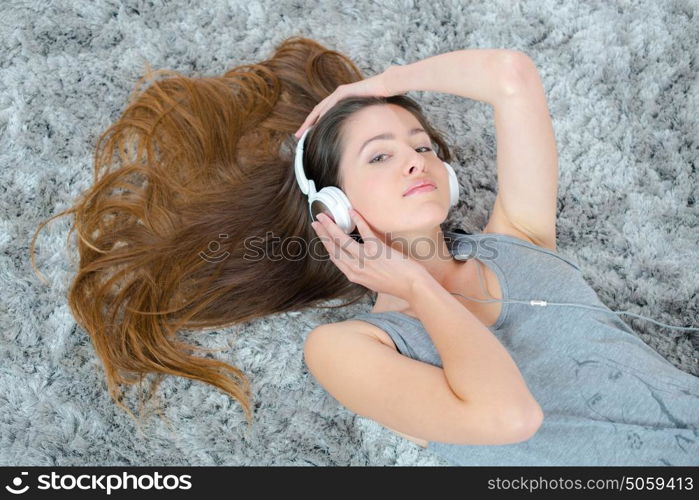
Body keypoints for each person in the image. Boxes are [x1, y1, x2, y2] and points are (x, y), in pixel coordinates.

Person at [30, 36, 698, 465]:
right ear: (334, 208)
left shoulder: (519, 239)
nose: (416, 160)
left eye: (422, 146)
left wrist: (372, 86)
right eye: (381, 155)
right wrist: (418, 289)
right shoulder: (349, 350)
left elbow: (510, 73)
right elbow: (507, 417)